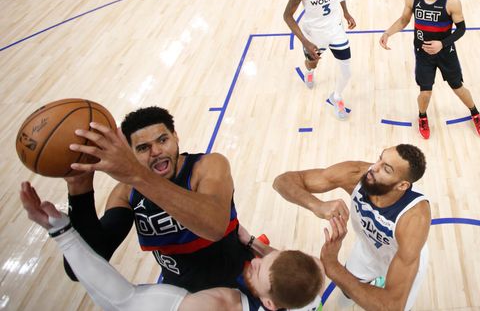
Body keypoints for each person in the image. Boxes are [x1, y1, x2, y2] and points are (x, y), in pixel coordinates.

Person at [20, 183, 324, 311]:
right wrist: (252, 241)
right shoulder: (299, 289)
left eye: (258, 268)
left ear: (270, 304)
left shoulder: (221, 302)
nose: (253, 261)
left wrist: (62, 233)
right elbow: (288, 267)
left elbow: (123, 300)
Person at [58, 106, 256, 293]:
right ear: (130, 153)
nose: (156, 151)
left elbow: (214, 227)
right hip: (184, 297)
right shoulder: (126, 193)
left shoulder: (208, 165)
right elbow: (80, 268)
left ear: (175, 136)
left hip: (242, 282)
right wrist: (79, 189)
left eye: (162, 140)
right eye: (143, 148)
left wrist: (137, 175)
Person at [273, 144, 430, 311]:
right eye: (380, 158)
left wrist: (332, 267)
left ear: (402, 186)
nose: (374, 168)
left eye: (386, 169)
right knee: (346, 295)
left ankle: (378, 283)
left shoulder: (414, 218)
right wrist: (316, 205)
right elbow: (281, 182)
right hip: (367, 250)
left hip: (403, 258)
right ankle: (372, 283)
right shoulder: (356, 174)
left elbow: (392, 307)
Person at [379, 0, 480, 139]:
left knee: (458, 87)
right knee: (425, 92)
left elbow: (461, 29)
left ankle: (475, 112)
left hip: (446, 53)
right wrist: (388, 33)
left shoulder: (452, 1)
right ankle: (422, 116)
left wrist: (442, 44)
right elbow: (404, 20)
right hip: (423, 54)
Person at [283, 0, 357, 120]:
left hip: (336, 29)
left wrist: (346, 12)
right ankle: (309, 72)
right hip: (314, 35)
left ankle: (336, 97)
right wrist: (305, 43)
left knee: (347, 71)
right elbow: (287, 16)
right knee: (313, 64)